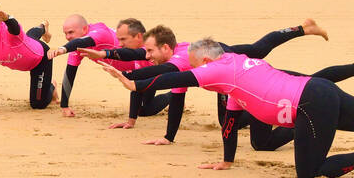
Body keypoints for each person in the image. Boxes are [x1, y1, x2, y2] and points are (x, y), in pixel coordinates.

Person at [97, 39, 354, 178]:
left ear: (208, 59)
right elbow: (230, 122)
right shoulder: (234, 73)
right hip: (317, 91)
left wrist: (137, 83)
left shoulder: (217, 67)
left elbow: (174, 74)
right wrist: (227, 161)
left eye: (197, 64)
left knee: (307, 174)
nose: (195, 70)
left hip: (310, 104)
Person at [79, 20, 326, 144]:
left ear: (164, 48)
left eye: (151, 52)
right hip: (216, 62)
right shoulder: (170, 56)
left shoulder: (176, 62)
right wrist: (168, 137)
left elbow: (163, 74)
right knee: (257, 53)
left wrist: (130, 78)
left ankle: (304, 36)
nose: (148, 56)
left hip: (225, 61)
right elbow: (176, 97)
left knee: (258, 53)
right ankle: (303, 33)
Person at [217, 57, 354, 165]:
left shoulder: (220, 66)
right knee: (261, 142)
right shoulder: (215, 69)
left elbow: (259, 46)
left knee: (314, 82)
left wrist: (301, 30)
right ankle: (307, 121)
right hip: (259, 89)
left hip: (266, 84)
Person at [46, 15, 149, 117]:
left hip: (148, 62)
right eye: (65, 33)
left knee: (147, 105)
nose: (68, 37)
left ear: (85, 29)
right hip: (133, 73)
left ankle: (166, 97)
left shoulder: (100, 32)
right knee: (142, 110)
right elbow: (69, 74)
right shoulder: (77, 48)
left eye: (71, 32)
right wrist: (65, 106)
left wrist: (63, 49)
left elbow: (82, 41)